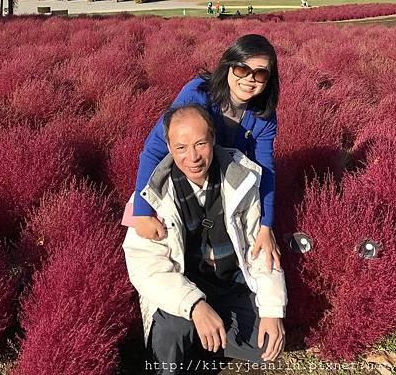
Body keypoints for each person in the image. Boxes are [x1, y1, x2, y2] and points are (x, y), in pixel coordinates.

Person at [123, 104, 287, 375]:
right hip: (183, 290)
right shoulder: (150, 196)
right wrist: (195, 306)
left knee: (267, 344)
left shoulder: (241, 181)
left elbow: (259, 251)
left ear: (213, 139)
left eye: (200, 143)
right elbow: (146, 268)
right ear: (168, 147)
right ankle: (191, 338)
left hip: (228, 287)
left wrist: (272, 309)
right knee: (172, 335)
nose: (193, 157)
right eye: (181, 147)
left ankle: (203, 342)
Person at [130, 34, 281, 271]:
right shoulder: (197, 93)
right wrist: (140, 211)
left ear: (268, 80)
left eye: (259, 73)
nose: (249, 80)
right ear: (228, 66)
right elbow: (154, 148)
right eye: (242, 69)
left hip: (225, 186)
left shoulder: (263, 115)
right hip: (182, 179)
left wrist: (266, 227)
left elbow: (265, 170)